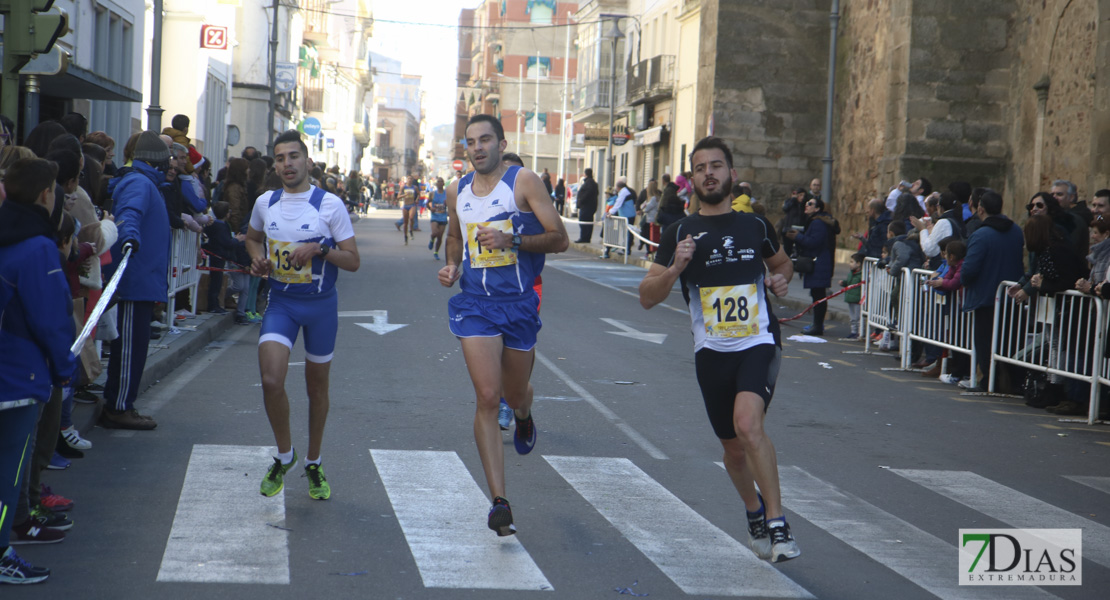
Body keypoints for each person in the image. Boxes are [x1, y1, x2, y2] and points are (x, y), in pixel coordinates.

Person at [638, 136, 800, 563]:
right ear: (692, 180)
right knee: (731, 449)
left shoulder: (756, 227)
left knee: (748, 427)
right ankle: (754, 512)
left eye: (716, 165)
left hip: (758, 342)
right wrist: (675, 267)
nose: (708, 173)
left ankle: (779, 524)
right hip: (711, 352)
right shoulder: (679, 233)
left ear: (731, 173)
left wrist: (780, 282)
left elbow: (782, 265)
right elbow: (647, 296)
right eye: (700, 168)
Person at [436, 114, 568, 536]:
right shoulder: (456, 189)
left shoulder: (524, 182)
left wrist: (513, 240)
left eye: (485, 140)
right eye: (470, 142)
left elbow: (560, 238)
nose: (477, 148)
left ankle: (525, 413)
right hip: (476, 304)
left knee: (514, 393)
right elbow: (454, 235)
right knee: (488, 397)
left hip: (519, 305)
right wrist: (452, 265)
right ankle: (499, 501)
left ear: (500, 142)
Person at [243, 131, 359, 500]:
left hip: (320, 307)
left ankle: (313, 461)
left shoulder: (329, 205)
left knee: (316, 389)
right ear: (274, 165)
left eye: (294, 156)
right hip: (281, 302)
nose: (287, 164)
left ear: (307, 161)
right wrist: (257, 259)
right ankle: (284, 455)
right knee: (272, 380)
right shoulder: (265, 202)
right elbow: (251, 237)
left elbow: (353, 261)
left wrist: (321, 248)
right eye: (280, 158)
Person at [0, 158, 77, 582]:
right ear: (47, 194)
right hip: (18, 374)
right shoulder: (38, 246)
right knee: (8, 469)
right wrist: (64, 367)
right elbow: (51, 319)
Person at [99, 131, 173, 430]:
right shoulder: (140, 183)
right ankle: (118, 408)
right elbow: (129, 215)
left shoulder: (139, 181)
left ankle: (120, 403)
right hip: (134, 279)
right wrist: (129, 238)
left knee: (133, 347)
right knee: (130, 348)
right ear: (155, 162)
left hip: (140, 277)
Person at [960, 190, 1024, 390]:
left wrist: (964, 280)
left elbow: (969, 270)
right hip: (1011, 296)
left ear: (980, 209)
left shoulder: (980, 235)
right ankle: (1013, 382)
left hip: (986, 297)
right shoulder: (1016, 231)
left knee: (985, 343)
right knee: (1010, 341)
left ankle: (989, 381)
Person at [785, 197, 838, 335]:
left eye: (810, 204)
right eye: (806, 203)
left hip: (819, 264)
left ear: (817, 209)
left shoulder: (818, 223)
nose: (806, 205)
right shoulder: (816, 222)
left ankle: (817, 325)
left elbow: (814, 242)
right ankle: (816, 324)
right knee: (817, 295)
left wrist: (798, 237)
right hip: (820, 263)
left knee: (818, 296)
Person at [839, 253, 865, 339]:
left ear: (858, 264)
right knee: (852, 317)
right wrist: (844, 283)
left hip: (857, 299)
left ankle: (859, 332)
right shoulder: (851, 273)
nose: (850, 264)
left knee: (857, 317)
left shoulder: (862, 275)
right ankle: (854, 331)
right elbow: (850, 283)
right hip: (850, 298)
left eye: (851, 262)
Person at [574, 168, 598, 243]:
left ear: (585, 174)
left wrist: (581, 201)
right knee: (588, 222)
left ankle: (584, 237)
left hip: (586, 207)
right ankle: (586, 237)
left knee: (584, 222)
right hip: (591, 206)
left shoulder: (589, 183)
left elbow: (586, 194)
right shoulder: (593, 183)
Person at [428, 177, 448, 260]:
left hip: (443, 216)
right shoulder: (432, 193)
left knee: (440, 236)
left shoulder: (447, 193)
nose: (440, 183)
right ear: (436, 184)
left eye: (441, 181)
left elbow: (450, 203)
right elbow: (428, 202)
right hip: (435, 216)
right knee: (435, 232)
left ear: (443, 184)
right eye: (438, 182)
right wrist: (430, 208)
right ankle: (432, 239)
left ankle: (436, 252)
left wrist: (448, 205)